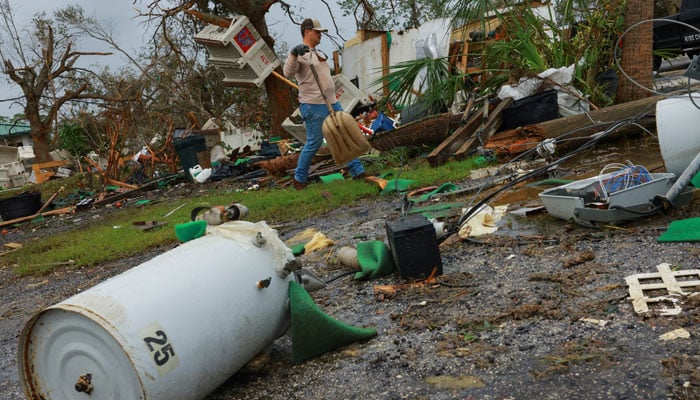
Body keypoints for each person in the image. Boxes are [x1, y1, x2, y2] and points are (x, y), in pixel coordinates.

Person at [283, 18, 367, 189]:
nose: (320, 35)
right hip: (314, 106)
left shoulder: (316, 52)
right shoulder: (300, 55)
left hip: (331, 102)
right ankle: (299, 179)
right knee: (314, 143)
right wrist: (293, 54)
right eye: (317, 32)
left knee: (344, 133)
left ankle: (358, 171)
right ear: (307, 32)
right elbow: (287, 72)